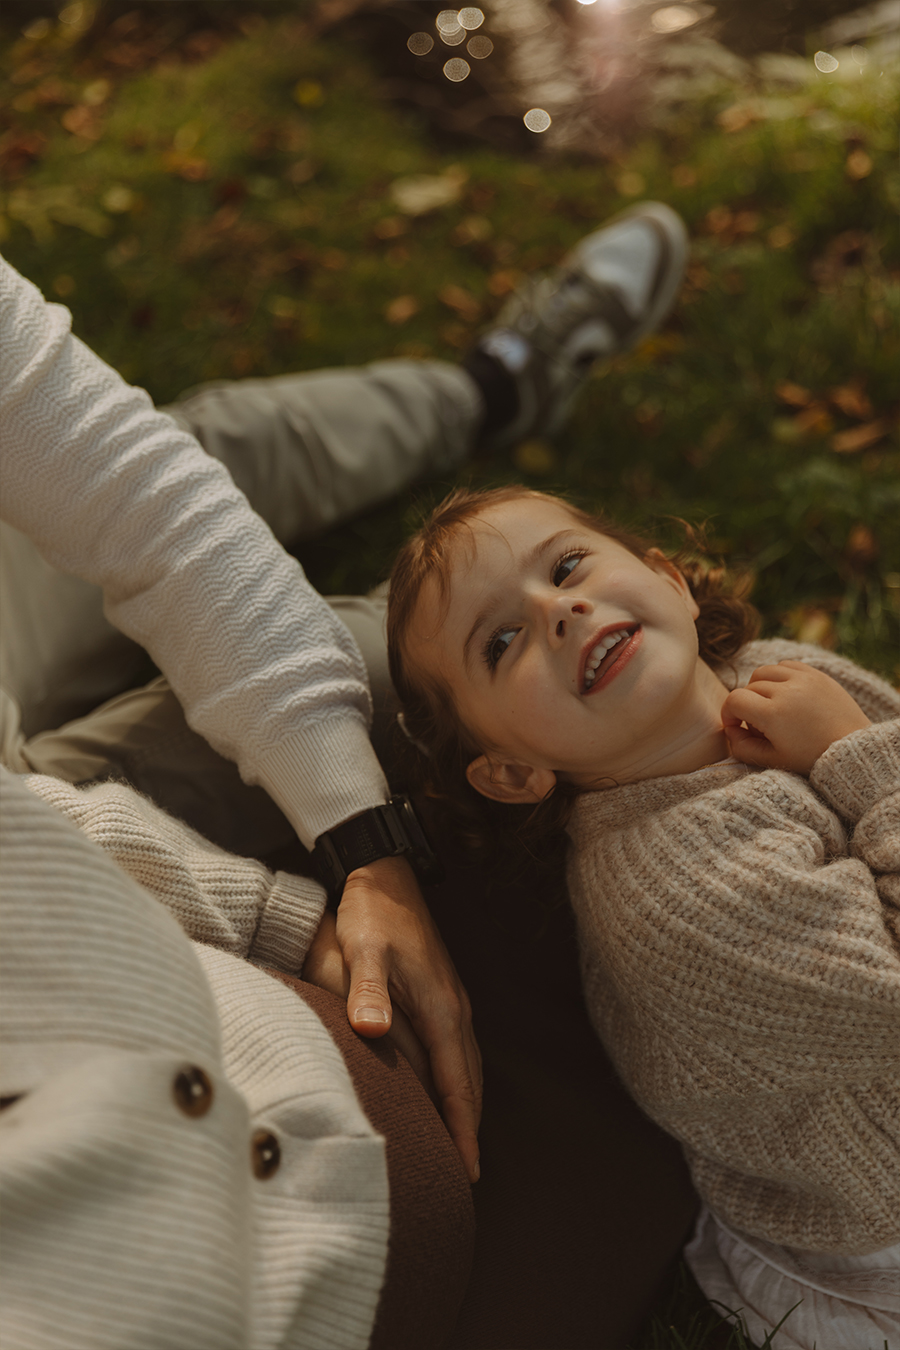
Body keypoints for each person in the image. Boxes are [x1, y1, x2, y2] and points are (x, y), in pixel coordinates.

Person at [0, 200, 695, 1349]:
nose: (564, 606)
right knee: (398, 665)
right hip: (53, 842)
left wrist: (357, 852)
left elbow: (132, 486)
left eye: (571, 566)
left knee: (211, 449)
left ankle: (494, 387)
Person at [385, 483, 900, 1350]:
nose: (560, 610)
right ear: (512, 772)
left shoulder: (772, 674)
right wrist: (859, 757)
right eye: (501, 641)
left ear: (669, 579)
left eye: (567, 564)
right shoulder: (677, 897)